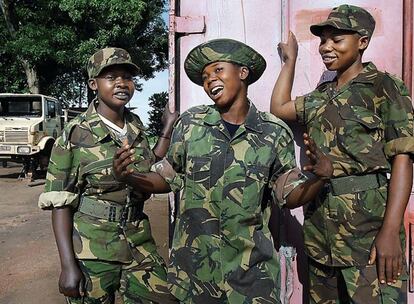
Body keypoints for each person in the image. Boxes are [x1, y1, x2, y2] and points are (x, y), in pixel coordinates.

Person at [112, 38, 334, 303]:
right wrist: (129, 176)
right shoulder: (190, 124)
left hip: (252, 279)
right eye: (205, 76)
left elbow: (288, 196)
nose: (210, 80)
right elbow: (166, 178)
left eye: (218, 70)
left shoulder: (273, 132)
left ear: (243, 72)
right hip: (194, 274)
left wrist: (320, 177)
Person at [271, 4, 414, 303]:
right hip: (321, 230)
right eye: (323, 40)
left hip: (369, 230)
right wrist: (290, 61)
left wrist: (390, 230)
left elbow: (403, 157)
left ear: (362, 42)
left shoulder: (384, 86)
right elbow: (280, 107)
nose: (326, 47)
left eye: (337, 39)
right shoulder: (321, 95)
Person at [38, 47, 178, 304]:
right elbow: (60, 201)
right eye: (111, 77)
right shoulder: (75, 133)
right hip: (93, 249)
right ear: (94, 84)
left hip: (138, 240)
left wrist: (167, 129)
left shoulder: (135, 125)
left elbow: (150, 166)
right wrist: (68, 266)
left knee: (166, 298)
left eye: (127, 77)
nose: (121, 83)